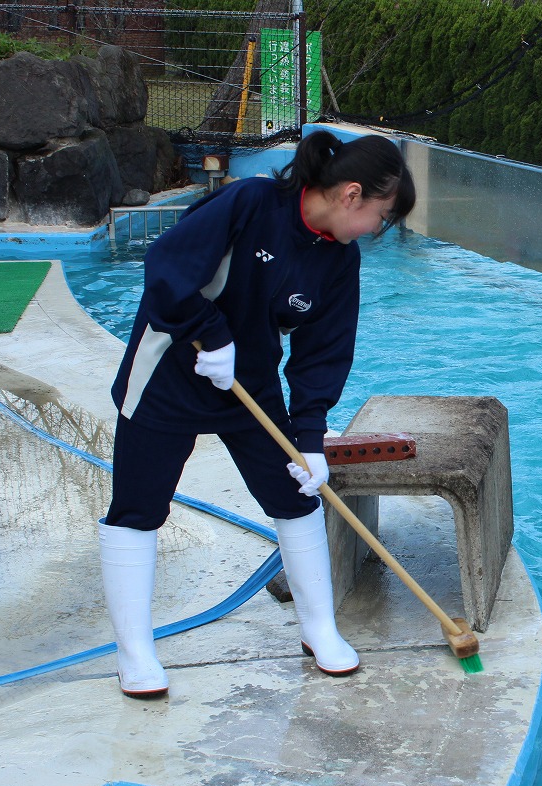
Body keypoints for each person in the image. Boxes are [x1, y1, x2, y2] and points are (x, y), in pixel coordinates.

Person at [98, 130, 415, 698]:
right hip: (170, 368)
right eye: (381, 215)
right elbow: (167, 267)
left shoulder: (340, 259)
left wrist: (312, 437)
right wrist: (208, 332)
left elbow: (324, 350)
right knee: (138, 507)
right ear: (350, 194)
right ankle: (134, 653)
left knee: (296, 494)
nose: (377, 229)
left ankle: (319, 629)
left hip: (249, 381)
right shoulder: (248, 204)